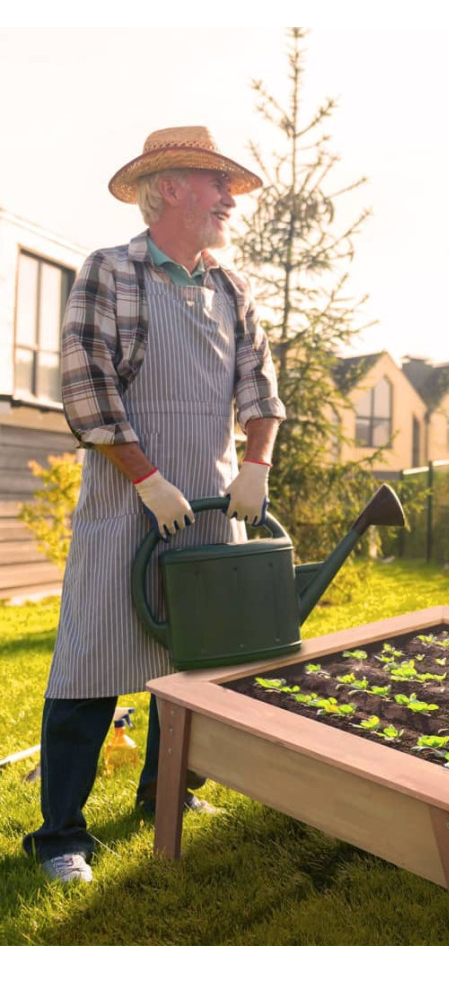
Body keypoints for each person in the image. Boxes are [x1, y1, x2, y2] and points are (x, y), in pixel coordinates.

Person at [23, 126, 286, 883]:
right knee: (91, 662)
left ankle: (165, 795)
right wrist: (146, 478)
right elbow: (86, 388)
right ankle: (60, 837)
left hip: (209, 500)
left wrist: (257, 464)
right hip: (126, 499)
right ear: (169, 187)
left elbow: (260, 389)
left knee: (194, 663)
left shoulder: (230, 287)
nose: (229, 200)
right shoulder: (112, 271)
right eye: (216, 185)